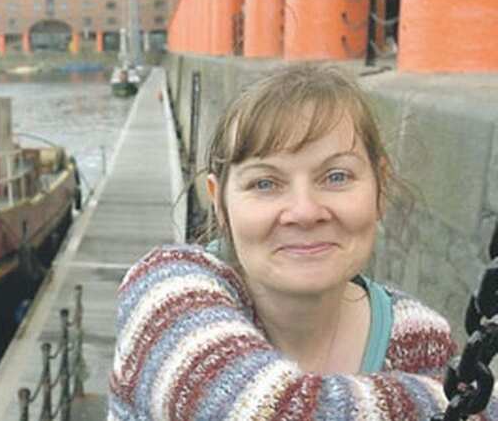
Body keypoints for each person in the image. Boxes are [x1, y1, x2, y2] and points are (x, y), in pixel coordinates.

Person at [109, 64, 498, 419]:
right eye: (265, 183)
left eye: (337, 177)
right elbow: (269, 410)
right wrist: (453, 403)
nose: (304, 211)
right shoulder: (165, 294)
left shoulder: (420, 339)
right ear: (220, 204)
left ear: (380, 189)